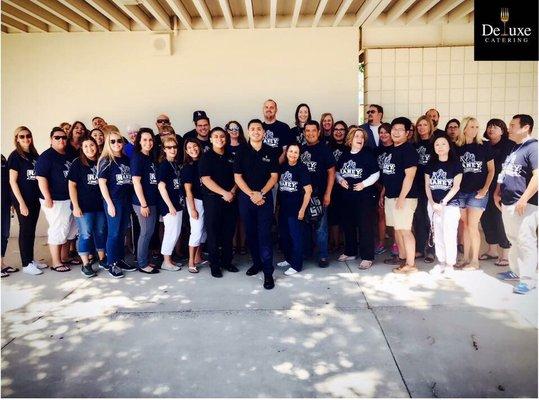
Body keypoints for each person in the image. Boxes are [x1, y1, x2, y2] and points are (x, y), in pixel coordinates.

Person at [495, 114, 537, 294]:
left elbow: (537, 176)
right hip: (508, 202)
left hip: (524, 204)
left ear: (525, 127)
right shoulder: (515, 148)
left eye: (513, 125)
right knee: (513, 239)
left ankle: (528, 280)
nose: (509, 128)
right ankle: (515, 271)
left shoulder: (533, 147)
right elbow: (506, 172)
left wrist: (524, 199)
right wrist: (498, 192)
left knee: (526, 240)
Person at [234, 119, 279, 290]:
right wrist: (252, 194)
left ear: (264, 133)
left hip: (265, 199)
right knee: (251, 234)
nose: (256, 131)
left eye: (259, 129)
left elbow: (274, 177)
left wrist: (261, 193)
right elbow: (237, 177)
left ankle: (268, 273)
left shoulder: (271, 151)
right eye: (252, 128)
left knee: (265, 236)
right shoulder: (241, 151)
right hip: (246, 199)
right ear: (248, 132)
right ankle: (257, 264)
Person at [35, 127, 78, 272]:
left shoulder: (69, 154)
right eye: (57, 137)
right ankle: (56, 262)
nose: (61, 140)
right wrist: (47, 197)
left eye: (64, 137)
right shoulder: (46, 157)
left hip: (69, 198)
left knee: (69, 230)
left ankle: (65, 257)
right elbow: (41, 178)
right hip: (55, 200)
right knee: (58, 229)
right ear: (51, 139)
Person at [336, 127, 380, 269]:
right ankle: (350, 252)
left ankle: (367, 257)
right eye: (357, 136)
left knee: (365, 226)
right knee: (348, 225)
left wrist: (364, 184)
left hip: (365, 196)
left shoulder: (367, 154)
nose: (360, 139)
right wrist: (340, 180)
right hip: (347, 196)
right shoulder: (344, 155)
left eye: (362, 137)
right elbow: (337, 172)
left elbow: (376, 174)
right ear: (350, 139)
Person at [379, 117, 419, 273]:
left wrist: (402, 198)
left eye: (400, 130)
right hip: (390, 196)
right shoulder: (392, 150)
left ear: (408, 133)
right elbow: (388, 175)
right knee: (397, 229)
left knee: (405, 230)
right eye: (394, 129)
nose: (395, 132)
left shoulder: (408, 150)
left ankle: (410, 264)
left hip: (404, 198)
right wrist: (383, 193)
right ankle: (402, 257)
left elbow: (410, 176)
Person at [455, 117, 494, 270]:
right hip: (461, 192)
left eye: (477, 126)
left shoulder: (484, 145)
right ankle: (465, 259)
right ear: (464, 128)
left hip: (478, 193)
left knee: (472, 225)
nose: (475, 129)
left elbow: (491, 170)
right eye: (471, 126)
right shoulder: (456, 147)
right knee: (465, 225)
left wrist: (485, 189)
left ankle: (475, 261)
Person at [200, 127, 239, 277]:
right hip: (213, 200)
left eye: (222, 136)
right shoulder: (206, 157)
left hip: (231, 199)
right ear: (210, 139)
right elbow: (206, 179)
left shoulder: (231, 156)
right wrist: (224, 193)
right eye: (215, 136)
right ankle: (215, 265)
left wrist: (232, 192)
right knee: (214, 234)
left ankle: (227, 262)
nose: (219, 139)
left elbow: (238, 176)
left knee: (228, 233)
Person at [7, 127, 46, 275]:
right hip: (22, 199)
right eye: (21, 136)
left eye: (28, 135)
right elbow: (13, 182)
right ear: (17, 138)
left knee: (31, 229)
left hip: (34, 198)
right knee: (25, 230)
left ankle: (31, 260)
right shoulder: (15, 156)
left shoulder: (34, 155)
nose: (25, 139)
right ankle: (26, 264)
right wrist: (21, 203)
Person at [98, 130, 136, 278]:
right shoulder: (106, 160)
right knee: (113, 233)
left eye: (119, 141)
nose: (116, 144)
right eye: (112, 141)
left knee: (121, 233)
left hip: (126, 200)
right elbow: (102, 183)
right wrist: (110, 204)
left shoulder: (126, 159)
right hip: (114, 201)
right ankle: (111, 263)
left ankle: (119, 260)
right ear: (108, 143)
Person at [67, 137, 107, 277]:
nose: (89, 149)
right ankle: (86, 264)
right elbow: (72, 185)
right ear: (82, 149)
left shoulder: (102, 161)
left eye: (92, 145)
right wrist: (76, 206)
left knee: (101, 232)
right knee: (86, 233)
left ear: (96, 146)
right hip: (83, 207)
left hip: (100, 206)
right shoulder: (77, 163)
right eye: (86, 146)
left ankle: (102, 259)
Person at [424, 134, 463, 275]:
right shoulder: (430, 164)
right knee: (437, 234)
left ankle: (450, 264)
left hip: (450, 205)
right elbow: (427, 186)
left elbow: (456, 187)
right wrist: (432, 203)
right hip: (433, 205)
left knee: (449, 234)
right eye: (437, 145)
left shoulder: (456, 164)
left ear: (449, 146)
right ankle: (441, 262)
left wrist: (442, 203)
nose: (440, 147)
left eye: (443, 144)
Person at [300, 120, 336, 268]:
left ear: (318, 132)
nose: (310, 133)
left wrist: (327, 194)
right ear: (304, 133)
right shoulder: (300, 149)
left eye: (313, 130)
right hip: (302, 196)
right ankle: (307, 252)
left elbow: (332, 173)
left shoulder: (324, 149)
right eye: (307, 131)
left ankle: (323, 256)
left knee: (321, 228)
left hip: (319, 194)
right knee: (304, 226)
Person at [479, 119, 513, 266]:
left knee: (500, 220)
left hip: (502, 187)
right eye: (489, 126)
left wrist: (500, 189)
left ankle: (505, 253)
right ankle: (492, 250)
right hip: (486, 186)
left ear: (503, 130)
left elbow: (508, 169)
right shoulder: (484, 145)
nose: (491, 129)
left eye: (495, 126)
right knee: (486, 218)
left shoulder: (509, 145)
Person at [276, 143, 312, 275]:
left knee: (296, 237)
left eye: (296, 152)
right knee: (285, 236)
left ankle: (296, 265)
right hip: (283, 208)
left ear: (299, 155)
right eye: (290, 151)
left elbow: (308, 191)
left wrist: (302, 210)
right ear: (286, 153)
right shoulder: (283, 167)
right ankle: (289, 259)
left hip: (295, 209)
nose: (292, 154)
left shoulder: (301, 168)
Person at [131, 130, 160, 273]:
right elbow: (136, 182)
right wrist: (143, 204)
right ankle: (142, 264)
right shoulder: (138, 158)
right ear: (139, 142)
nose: (148, 143)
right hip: (143, 203)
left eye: (150, 140)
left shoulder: (151, 157)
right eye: (145, 140)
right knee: (146, 232)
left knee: (149, 232)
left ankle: (146, 260)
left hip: (152, 201)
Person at [157, 136, 184, 273]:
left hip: (178, 204)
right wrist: (170, 206)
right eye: (169, 147)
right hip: (170, 206)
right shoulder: (164, 165)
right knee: (171, 233)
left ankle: (169, 259)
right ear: (164, 149)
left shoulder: (175, 164)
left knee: (176, 232)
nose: (172, 149)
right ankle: (166, 261)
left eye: (174, 147)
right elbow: (161, 187)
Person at [412, 115, 436, 263]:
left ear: (430, 126)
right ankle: (420, 248)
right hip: (417, 186)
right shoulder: (413, 145)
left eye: (424, 125)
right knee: (419, 218)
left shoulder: (436, 143)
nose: (421, 127)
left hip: (432, 187)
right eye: (419, 125)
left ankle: (431, 249)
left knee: (430, 218)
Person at [182, 138, 207, 273]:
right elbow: (188, 190)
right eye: (189, 148)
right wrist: (192, 209)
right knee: (196, 231)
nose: (193, 149)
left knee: (204, 231)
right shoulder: (188, 166)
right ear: (186, 151)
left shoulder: (205, 161)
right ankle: (191, 261)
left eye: (195, 146)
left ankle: (198, 256)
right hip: (196, 201)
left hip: (207, 200)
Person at [225, 121, 247, 255]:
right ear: (227, 130)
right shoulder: (224, 147)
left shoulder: (245, 147)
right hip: (228, 188)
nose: (234, 131)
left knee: (242, 218)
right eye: (231, 128)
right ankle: (232, 245)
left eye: (236, 128)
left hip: (243, 186)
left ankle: (243, 245)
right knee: (231, 218)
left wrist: (237, 187)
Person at [327, 121, 348, 253]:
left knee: (345, 216)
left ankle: (345, 243)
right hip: (332, 187)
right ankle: (334, 243)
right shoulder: (327, 147)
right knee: (333, 216)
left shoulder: (349, 147)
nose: (338, 132)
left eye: (341, 129)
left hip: (346, 187)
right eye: (336, 129)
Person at [375, 123, 395, 256]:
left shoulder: (396, 149)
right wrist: (379, 186)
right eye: (381, 132)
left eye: (386, 132)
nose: (383, 135)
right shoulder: (377, 150)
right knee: (381, 215)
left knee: (394, 217)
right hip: (379, 186)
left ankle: (396, 243)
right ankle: (381, 242)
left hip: (393, 187)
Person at [262, 99, 291, 164]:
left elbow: (285, 151)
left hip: (278, 169)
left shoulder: (284, 127)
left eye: (271, 107)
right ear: (263, 110)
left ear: (276, 110)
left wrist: (275, 167)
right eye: (266, 107)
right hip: (261, 169)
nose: (268, 109)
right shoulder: (258, 128)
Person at [1, 154, 14, 278]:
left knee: (4, 234)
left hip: (4, 202)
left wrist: (12, 202)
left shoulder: (2, 158)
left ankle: (1, 263)